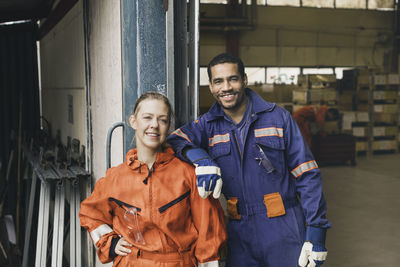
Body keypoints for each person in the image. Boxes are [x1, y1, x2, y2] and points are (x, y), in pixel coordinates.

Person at [167, 53, 331, 267]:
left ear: (244, 80)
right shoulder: (207, 125)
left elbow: (307, 174)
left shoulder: (278, 118)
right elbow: (174, 139)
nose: (226, 87)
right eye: (218, 81)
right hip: (239, 233)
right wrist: (201, 159)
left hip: (283, 228)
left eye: (232, 79)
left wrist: (316, 232)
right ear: (210, 86)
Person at [79, 92, 227, 267]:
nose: (154, 125)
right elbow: (90, 214)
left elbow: (209, 232)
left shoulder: (188, 175)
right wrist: (109, 243)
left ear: (168, 126)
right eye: (147, 117)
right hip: (131, 263)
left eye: (162, 120)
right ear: (133, 121)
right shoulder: (115, 178)